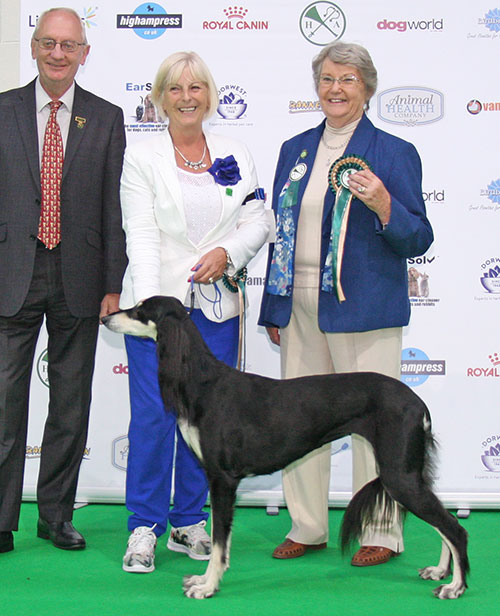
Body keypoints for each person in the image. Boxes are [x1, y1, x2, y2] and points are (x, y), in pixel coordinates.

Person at [259, 41, 434, 566]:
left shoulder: (395, 152)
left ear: (367, 88)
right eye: (328, 79)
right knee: (298, 423)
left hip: (366, 312)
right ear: (317, 86)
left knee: (376, 427)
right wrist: (275, 306)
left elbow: (418, 238)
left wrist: (384, 205)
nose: (336, 89)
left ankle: (381, 531)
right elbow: (280, 231)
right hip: (301, 310)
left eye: (348, 80)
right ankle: (307, 526)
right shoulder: (294, 149)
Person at [119, 51, 270, 573]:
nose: (187, 97)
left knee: (207, 420)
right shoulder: (142, 156)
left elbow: (259, 217)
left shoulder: (234, 150)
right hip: (160, 310)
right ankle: (143, 527)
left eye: (197, 87)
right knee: (154, 418)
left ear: (210, 95)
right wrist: (148, 314)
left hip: (217, 308)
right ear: (160, 98)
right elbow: (140, 235)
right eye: (176, 88)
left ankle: (188, 521)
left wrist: (231, 253)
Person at [0, 8, 127, 554]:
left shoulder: (106, 117)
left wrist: (113, 284)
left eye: (68, 45)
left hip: (80, 279)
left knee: (70, 404)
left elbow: (113, 209)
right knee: (5, 404)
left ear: (84, 53)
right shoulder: (2, 110)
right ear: (33, 47)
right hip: (11, 276)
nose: (58, 53)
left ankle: (55, 517)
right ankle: (1, 521)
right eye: (48, 43)